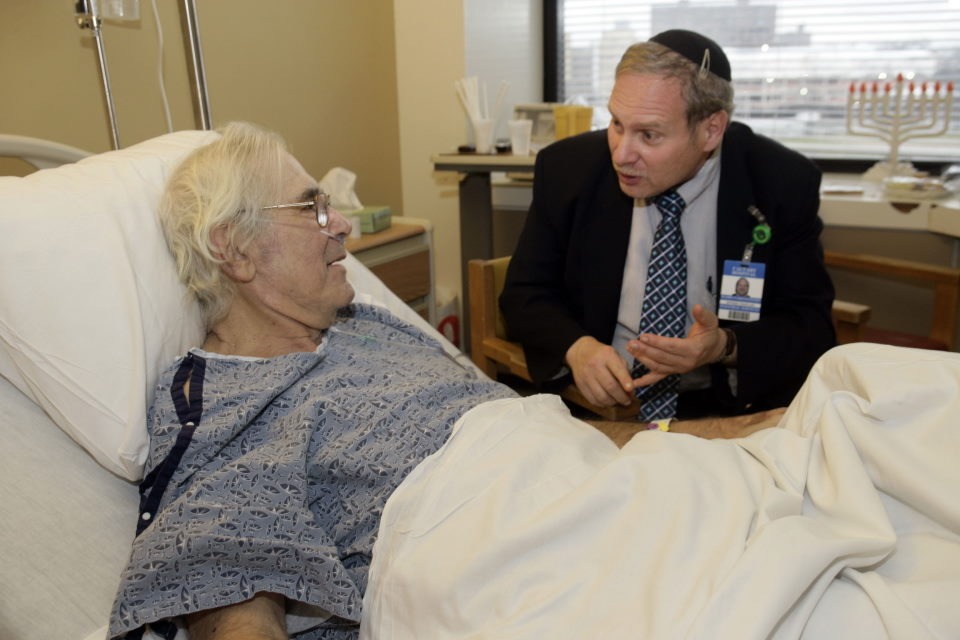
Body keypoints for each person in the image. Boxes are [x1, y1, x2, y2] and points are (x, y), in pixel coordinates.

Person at [109, 122, 781, 640]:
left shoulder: (365, 322)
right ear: (232, 247)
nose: (341, 221)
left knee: (844, 399)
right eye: (313, 208)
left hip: (584, 481)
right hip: (497, 556)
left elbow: (525, 432)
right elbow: (231, 591)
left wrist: (729, 436)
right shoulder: (225, 400)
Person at [500, 29, 836, 420]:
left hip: (724, 410)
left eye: (649, 134)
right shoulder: (569, 170)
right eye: (616, 123)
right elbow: (523, 293)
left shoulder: (780, 182)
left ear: (711, 129)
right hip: (598, 406)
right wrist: (578, 348)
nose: (622, 154)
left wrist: (723, 346)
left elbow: (810, 327)